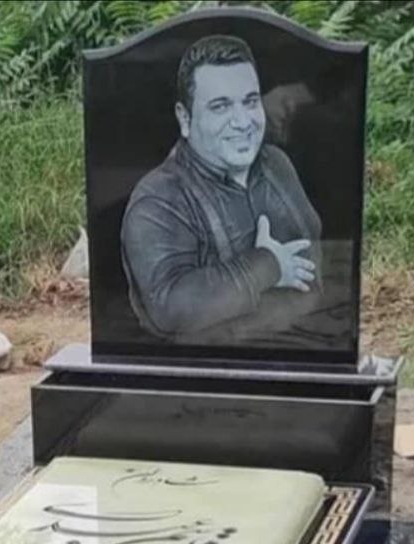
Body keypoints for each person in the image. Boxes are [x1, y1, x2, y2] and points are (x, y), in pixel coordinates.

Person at [121, 34, 324, 346]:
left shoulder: (276, 164)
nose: (243, 122)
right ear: (185, 118)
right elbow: (171, 308)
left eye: (251, 101)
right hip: (209, 370)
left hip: (309, 346)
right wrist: (266, 266)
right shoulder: (157, 200)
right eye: (220, 106)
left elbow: (315, 249)